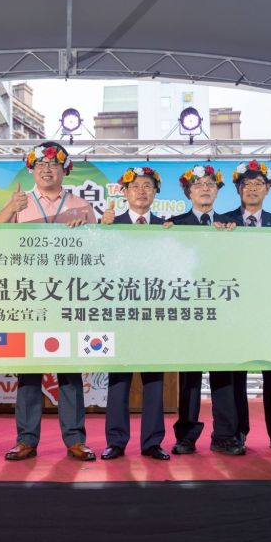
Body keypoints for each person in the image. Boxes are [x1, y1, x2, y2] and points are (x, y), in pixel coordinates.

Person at [0, 141, 96, 462]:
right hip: (28, 296)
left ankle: (75, 439)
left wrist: (87, 233)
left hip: (68, 297)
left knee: (70, 371)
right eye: (40, 165)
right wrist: (10, 209)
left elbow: (97, 251)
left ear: (65, 170)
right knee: (29, 371)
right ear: (31, 170)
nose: (46, 169)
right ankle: (26, 439)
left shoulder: (81, 204)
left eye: (53, 164)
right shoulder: (19, 201)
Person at [217, 159, 271, 453]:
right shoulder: (222, 222)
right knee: (235, 374)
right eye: (247, 184)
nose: (252, 189)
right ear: (238, 189)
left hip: (268, 311)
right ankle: (237, 432)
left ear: (268, 189)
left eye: (258, 184)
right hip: (234, 310)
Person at [99, 166, 169, 460]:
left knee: (154, 381)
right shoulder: (110, 224)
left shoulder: (168, 227)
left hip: (155, 315)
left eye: (147, 186)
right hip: (121, 314)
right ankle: (116, 441)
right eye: (136, 186)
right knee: (119, 380)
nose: (142, 191)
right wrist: (101, 230)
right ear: (125, 193)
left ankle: (152, 442)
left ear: (155, 193)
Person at [164, 165, 235, 455]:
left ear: (217, 191)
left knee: (224, 375)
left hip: (223, 309)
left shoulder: (232, 225)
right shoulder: (174, 224)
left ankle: (225, 436)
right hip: (189, 310)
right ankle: (186, 437)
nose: (205, 188)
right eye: (198, 185)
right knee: (189, 379)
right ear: (188, 192)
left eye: (210, 184)